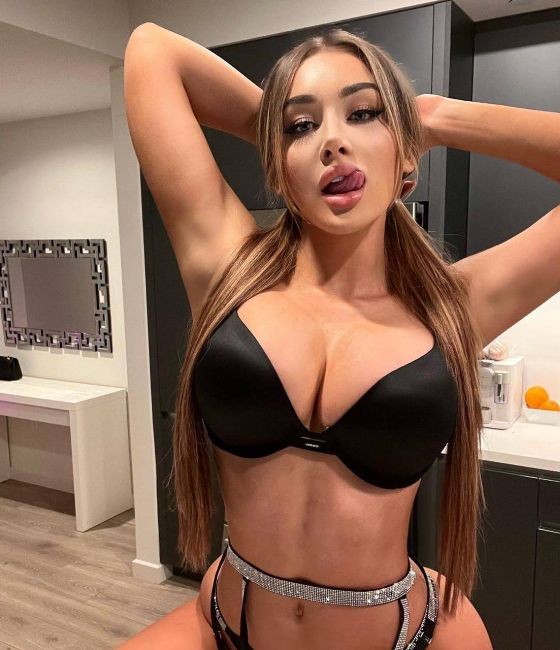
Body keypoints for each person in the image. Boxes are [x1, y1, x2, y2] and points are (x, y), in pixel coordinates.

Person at [120, 20, 560, 650]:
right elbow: (151, 50)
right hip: (226, 624)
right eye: (303, 126)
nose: (332, 141)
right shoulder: (228, 269)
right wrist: (285, 136)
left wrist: (433, 117)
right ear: (279, 166)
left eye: (364, 113)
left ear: (406, 155)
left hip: (406, 635)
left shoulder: (453, 306)